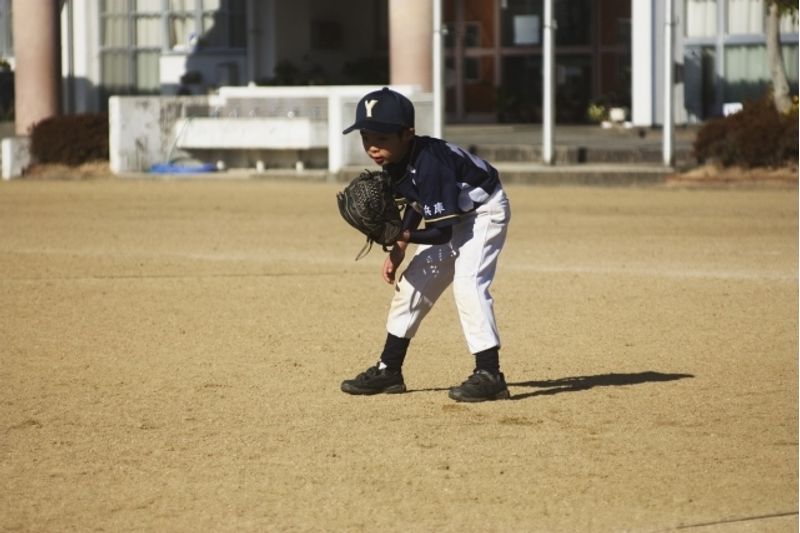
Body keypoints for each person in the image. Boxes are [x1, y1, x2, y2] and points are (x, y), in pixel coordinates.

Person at [339, 87, 511, 402]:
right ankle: (389, 369)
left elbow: (441, 233)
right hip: (452, 216)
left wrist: (400, 236)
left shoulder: (432, 164)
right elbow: (418, 205)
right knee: (412, 286)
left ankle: (490, 374)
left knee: (468, 284)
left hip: (483, 212)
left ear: (408, 134)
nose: (373, 148)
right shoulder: (394, 161)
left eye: (382, 138)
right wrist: (399, 249)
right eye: (366, 138)